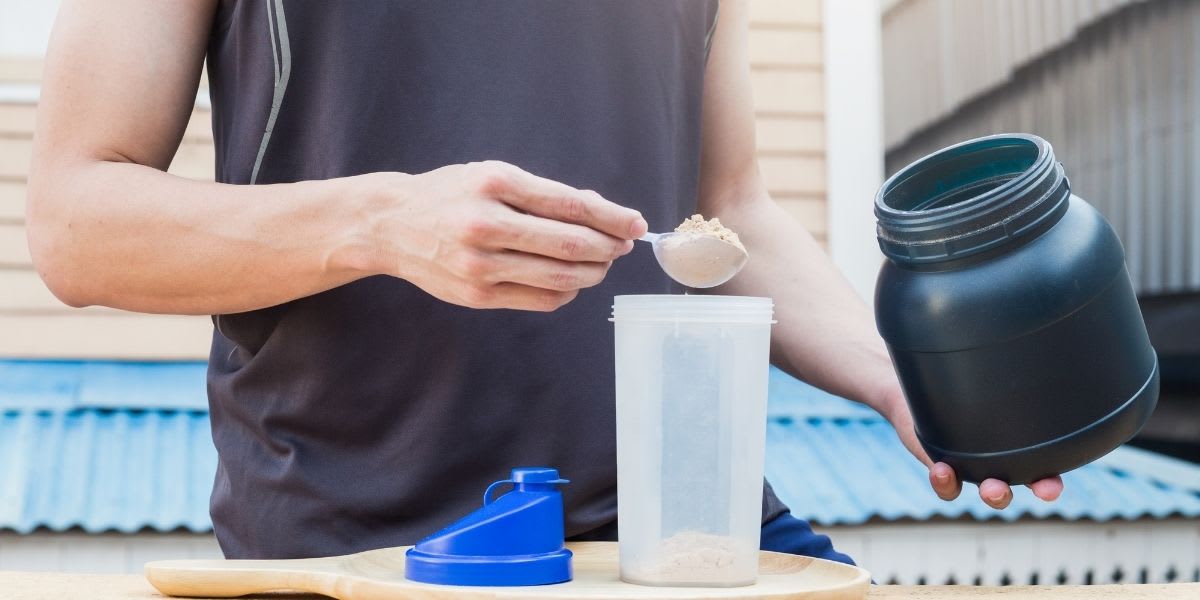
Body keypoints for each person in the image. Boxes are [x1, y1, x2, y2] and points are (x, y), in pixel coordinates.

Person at [27, 0, 1062, 561]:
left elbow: (728, 210)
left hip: (685, 532)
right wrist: (381, 223)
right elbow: (77, 223)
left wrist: (898, 379)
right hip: (366, 545)